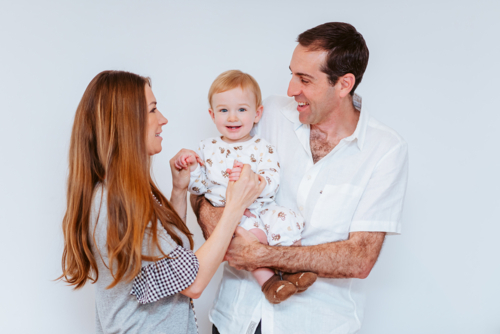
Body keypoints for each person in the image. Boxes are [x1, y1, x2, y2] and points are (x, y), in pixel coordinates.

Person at [192, 22, 409, 334]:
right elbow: (207, 182)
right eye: (292, 73)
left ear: (344, 84)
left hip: (315, 324)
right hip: (235, 320)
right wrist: (217, 222)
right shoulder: (266, 116)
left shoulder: (385, 149)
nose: (292, 88)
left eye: (304, 79)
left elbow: (360, 258)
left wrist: (262, 254)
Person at [59, 70, 265, 334]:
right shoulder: (116, 201)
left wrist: (178, 192)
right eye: (153, 110)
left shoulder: (118, 192)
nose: (163, 119)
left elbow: (165, 262)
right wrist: (235, 206)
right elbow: (192, 282)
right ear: (127, 122)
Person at [174, 70, 317, 305]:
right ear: (212, 115)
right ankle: (270, 283)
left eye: (241, 109)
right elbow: (199, 189)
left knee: (286, 219)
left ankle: (295, 270)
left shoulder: (262, 147)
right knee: (248, 241)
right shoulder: (207, 149)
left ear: (257, 113)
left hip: (261, 207)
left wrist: (254, 181)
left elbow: (272, 180)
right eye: (223, 110)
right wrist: (191, 168)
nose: (233, 118)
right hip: (232, 217)